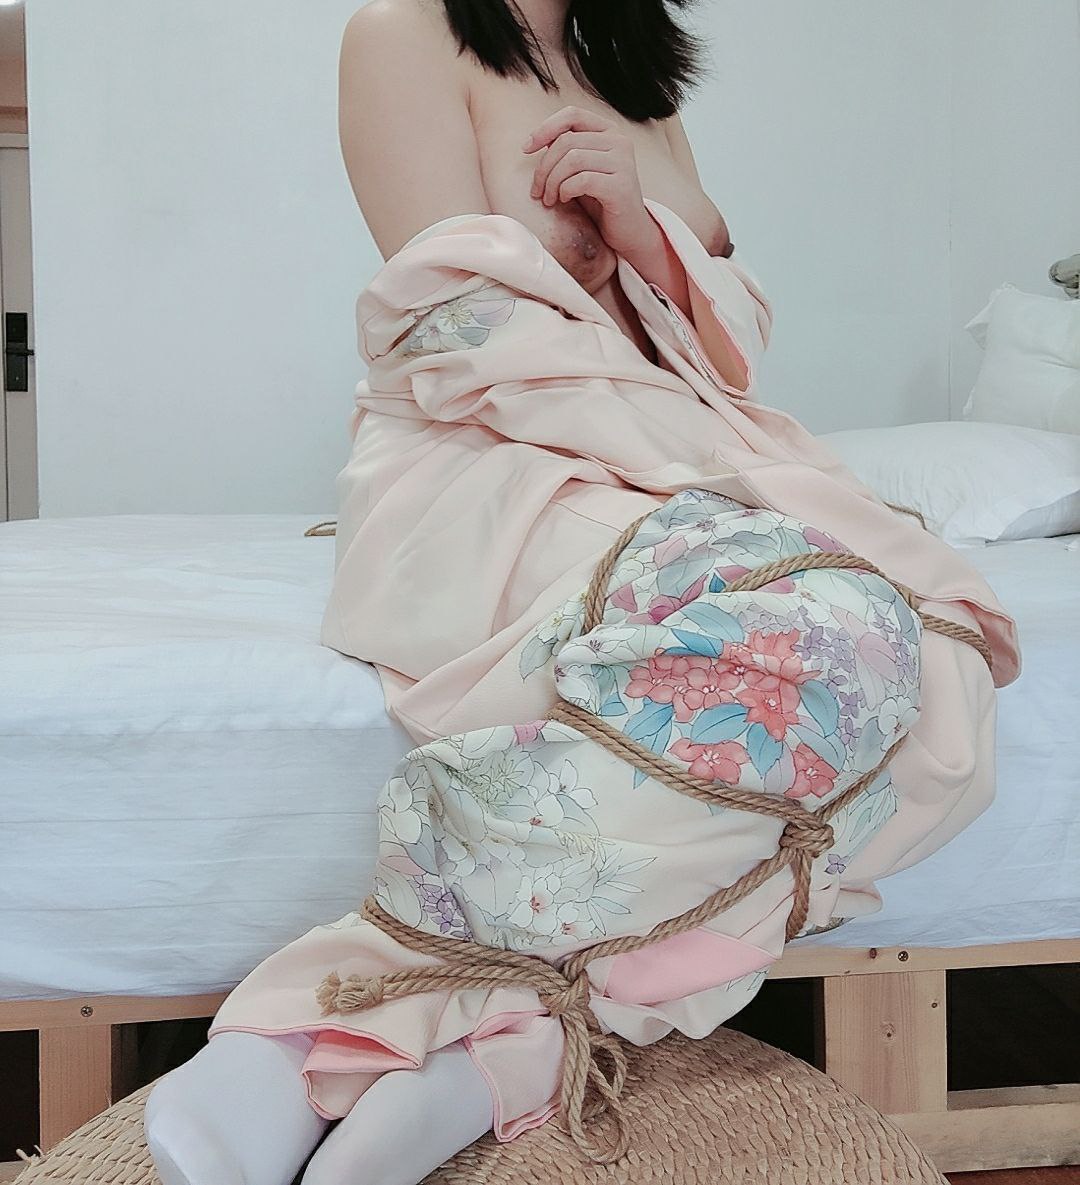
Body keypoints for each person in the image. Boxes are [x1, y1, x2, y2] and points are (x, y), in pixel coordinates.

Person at [143, 3, 742, 1183]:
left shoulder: (638, 71)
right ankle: (322, 1029)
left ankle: (488, 1045)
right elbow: (453, 323)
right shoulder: (405, 32)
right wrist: (668, 433)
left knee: (914, 646)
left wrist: (634, 221)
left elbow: (728, 332)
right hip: (486, 459)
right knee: (777, 611)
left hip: (663, 452)